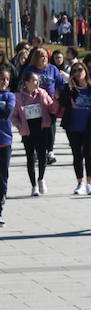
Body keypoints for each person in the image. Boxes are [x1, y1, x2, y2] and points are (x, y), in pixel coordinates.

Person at [58, 60, 91, 195]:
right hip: (73, 127)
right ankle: (80, 183)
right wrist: (69, 88)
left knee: (89, 154)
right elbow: (63, 103)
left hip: (90, 128)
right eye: (75, 71)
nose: (78, 73)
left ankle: (89, 183)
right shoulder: (69, 89)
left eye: (80, 70)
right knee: (77, 155)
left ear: (85, 72)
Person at [11, 70, 58, 195]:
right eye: (34, 81)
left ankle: (41, 178)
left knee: (43, 157)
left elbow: (52, 108)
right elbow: (13, 116)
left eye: (38, 80)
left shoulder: (42, 93)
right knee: (30, 158)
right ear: (26, 83)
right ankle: (33, 186)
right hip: (28, 131)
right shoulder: (19, 97)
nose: (37, 83)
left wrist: (56, 100)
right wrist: (19, 126)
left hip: (41, 129)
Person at [0, 69, 13, 226]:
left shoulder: (9, 96)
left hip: (4, 141)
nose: (4, 81)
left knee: (2, 179)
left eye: (6, 79)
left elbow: (7, 112)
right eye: (1, 78)